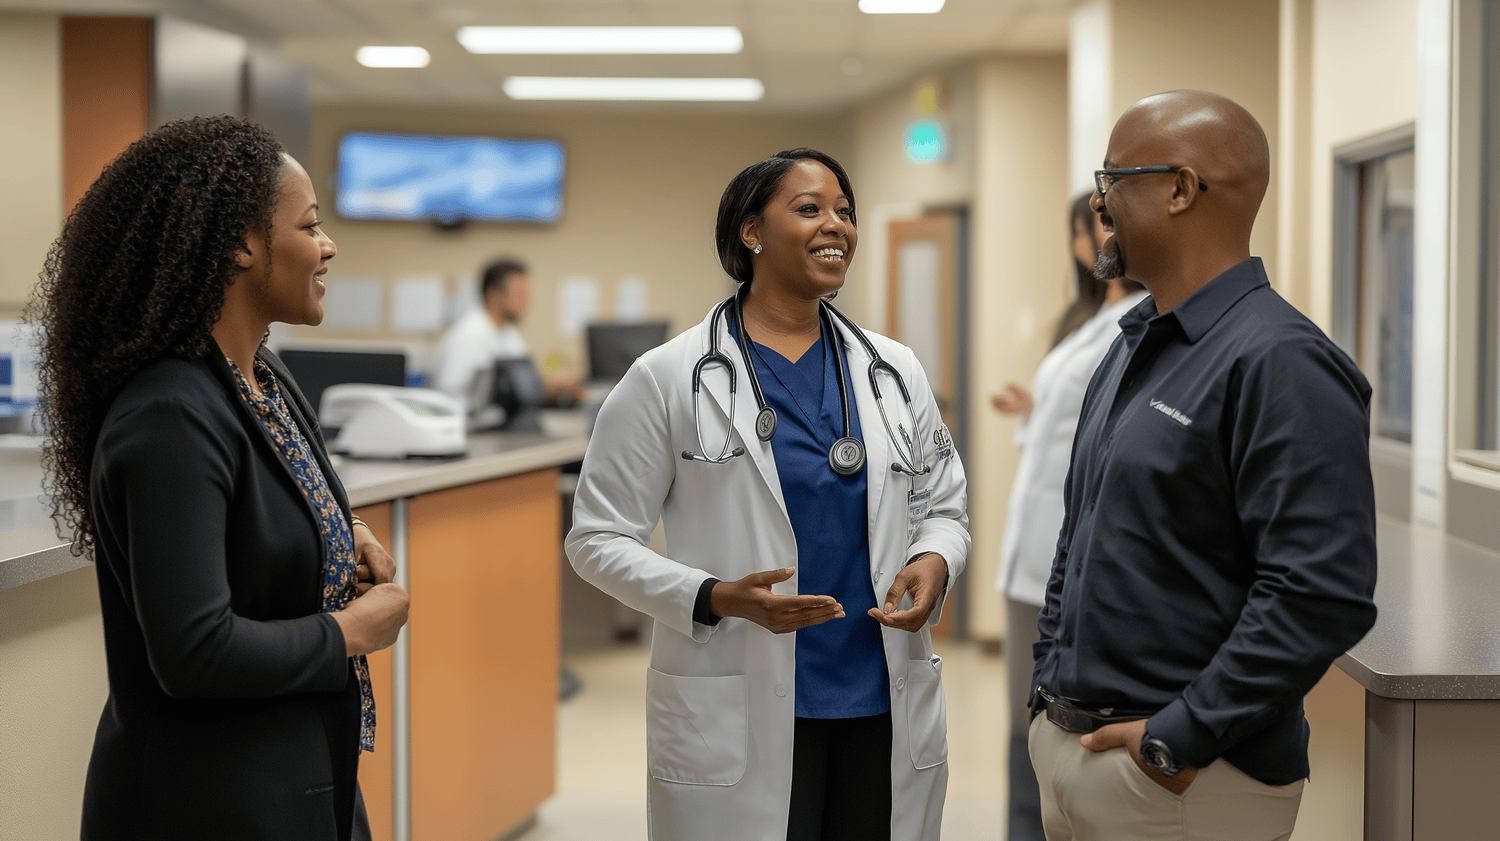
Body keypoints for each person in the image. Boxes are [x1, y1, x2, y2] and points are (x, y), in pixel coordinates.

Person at [566, 148, 969, 841]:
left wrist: (935, 560)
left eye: (844, 211)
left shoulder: (893, 371)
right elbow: (596, 540)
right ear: (751, 232)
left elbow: (944, 507)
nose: (835, 225)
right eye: (809, 208)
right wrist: (714, 595)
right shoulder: (668, 377)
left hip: (879, 695)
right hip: (740, 695)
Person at [30, 115, 410, 841]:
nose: (327, 246)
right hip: (204, 801)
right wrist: (349, 631)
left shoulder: (262, 376)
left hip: (297, 773)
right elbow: (195, 648)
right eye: (310, 225)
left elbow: (254, 513)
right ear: (240, 244)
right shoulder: (170, 410)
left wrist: (338, 538)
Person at [1027, 90, 1379, 841]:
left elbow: (1320, 592)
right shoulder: (1132, 346)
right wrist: (1045, 690)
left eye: (1113, 178)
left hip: (1183, 784)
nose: (1100, 203)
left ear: (1181, 188)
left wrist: (1181, 735)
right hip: (1077, 755)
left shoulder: (1282, 361)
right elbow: (1079, 535)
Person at [990, 192, 1146, 841]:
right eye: (1094, 224)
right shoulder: (1088, 316)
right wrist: (1035, 402)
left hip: (1067, 556)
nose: (1095, 238)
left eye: (1104, 222)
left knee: (1044, 726)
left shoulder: (1140, 318)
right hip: (1032, 555)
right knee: (1021, 724)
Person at [434, 257, 581, 419]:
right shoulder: (467, 336)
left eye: (527, 295)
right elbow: (450, 398)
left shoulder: (509, 334)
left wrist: (553, 389)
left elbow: (522, 387)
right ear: (493, 295)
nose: (526, 302)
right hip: (474, 431)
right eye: (519, 294)